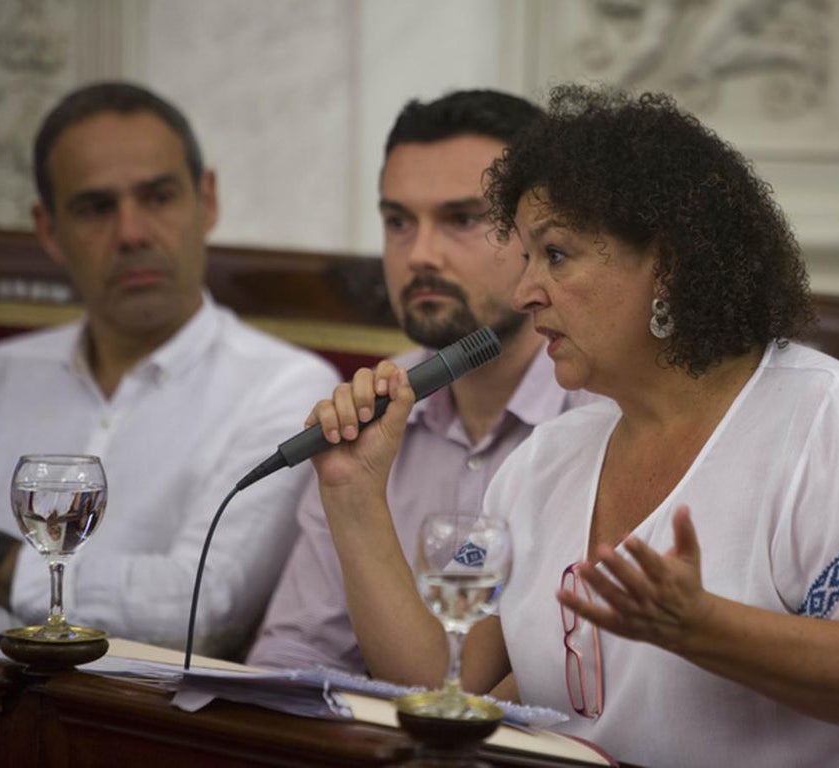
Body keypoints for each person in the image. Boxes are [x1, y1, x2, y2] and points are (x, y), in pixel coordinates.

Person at [300, 85, 839, 767]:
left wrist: (703, 626)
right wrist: (355, 491)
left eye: (556, 255)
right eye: (526, 256)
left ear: (667, 263)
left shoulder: (827, 417)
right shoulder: (546, 462)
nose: (523, 291)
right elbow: (447, 685)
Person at [246, 90, 592, 674]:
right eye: (398, 222)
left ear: (545, 234)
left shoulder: (605, 411)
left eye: (462, 219)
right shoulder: (370, 408)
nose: (420, 255)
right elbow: (298, 649)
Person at [0, 82, 340, 659]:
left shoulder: (286, 390)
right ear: (49, 230)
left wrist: (6, 564)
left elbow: (204, 606)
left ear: (206, 201)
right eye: (95, 207)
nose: (131, 233)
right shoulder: (6, 375)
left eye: (157, 197)